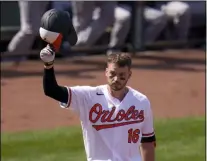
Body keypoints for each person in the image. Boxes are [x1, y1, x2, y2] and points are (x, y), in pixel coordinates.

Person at [40, 43, 156, 161]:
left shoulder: (141, 101)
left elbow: (148, 141)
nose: (116, 79)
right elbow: (51, 90)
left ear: (129, 74)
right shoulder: (88, 97)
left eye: (122, 75)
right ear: (106, 72)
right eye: (112, 74)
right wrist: (48, 65)